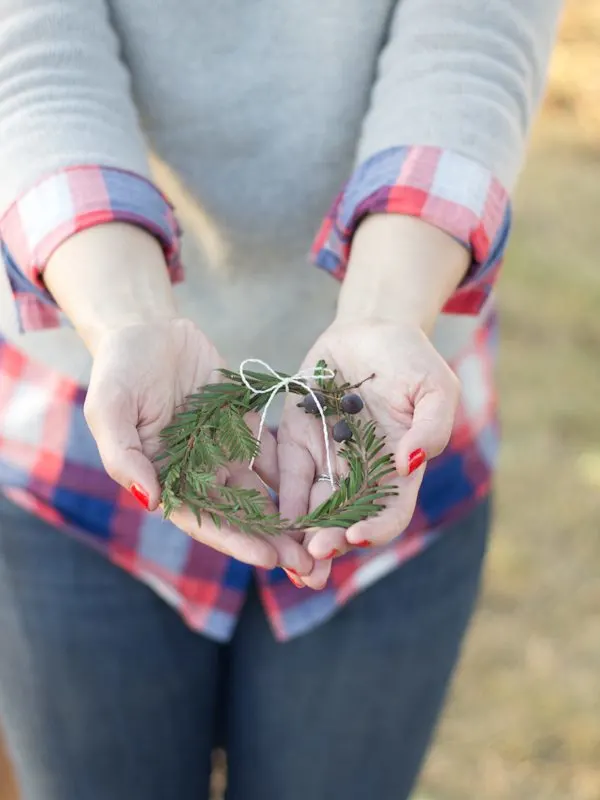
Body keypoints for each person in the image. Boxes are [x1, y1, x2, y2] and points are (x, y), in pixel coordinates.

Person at [0, 2, 563, 798]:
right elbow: (29, 51)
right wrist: (128, 318)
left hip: (391, 409)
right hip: (85, 419)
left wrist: (384, 316)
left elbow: (473, 38)